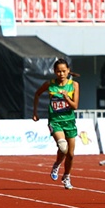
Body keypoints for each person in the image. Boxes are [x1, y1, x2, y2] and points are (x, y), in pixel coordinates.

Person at [32, 58, 79, 190]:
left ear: (68, 71)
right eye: (58, 71)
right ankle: (57, 164)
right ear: (54, 72)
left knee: (70, 154)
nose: (61, 74)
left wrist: (66, 98)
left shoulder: (74, 85)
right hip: (55, 121)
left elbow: (75, 106)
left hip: (69, 121)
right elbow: (37, 94)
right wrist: (35, 112)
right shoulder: (49, 84)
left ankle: (66, 176)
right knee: (63, 146)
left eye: (64, 71)